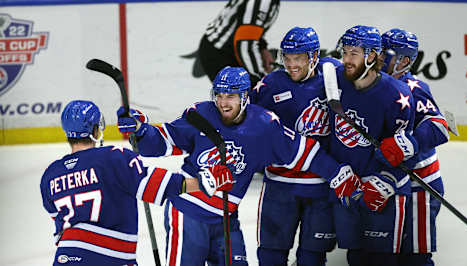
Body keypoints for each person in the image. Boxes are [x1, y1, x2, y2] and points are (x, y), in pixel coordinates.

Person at [117, 66, 360, 265]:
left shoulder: (265, 126)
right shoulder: (200, 115)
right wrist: (140, 131)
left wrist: (336, 173)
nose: (223, 103)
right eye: (219, 95)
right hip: (187, 213)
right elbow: (160, 144)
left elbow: (303, 152)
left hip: (226, 217)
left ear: (245, 97)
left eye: (230, 96)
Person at [40, 100, 233, 265]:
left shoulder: (50, 175)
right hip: (110, 257)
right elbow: (159, 185)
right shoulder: (113, 157)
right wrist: (206, 182)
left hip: (65, 257)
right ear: (96, 129)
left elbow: (59, 222)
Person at [249, 26, 342, 266]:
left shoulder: (332, 78)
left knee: (312, 258)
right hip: (280, 186)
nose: (291, 65)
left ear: (313, 57)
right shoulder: (272, 84)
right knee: (270, 256)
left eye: (298, 58)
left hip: (321, 187)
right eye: (287, 58)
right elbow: (244, 120)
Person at [327, 25, 417, 266]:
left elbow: (404, 150)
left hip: (383, 192)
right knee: (355, 257)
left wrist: (387, 179)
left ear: (372, 56)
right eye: (344, 52)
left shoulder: (397, 95)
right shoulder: (334, 80)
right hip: (348, 189)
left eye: (353, 53)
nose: (346, 59)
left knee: (382, 260)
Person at [378, 28, 450, 266]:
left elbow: (439, 126)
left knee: (414, 256)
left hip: (420, 184)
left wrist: (410, 143)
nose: (378, 58)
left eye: (384, 54)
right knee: (382, 252)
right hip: (388, 181)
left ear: (404, 60)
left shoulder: (414, 89)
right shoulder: (371, 86)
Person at [198, 0, 280, 85]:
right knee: (252, 93)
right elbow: (244, 44)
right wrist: (259, 78)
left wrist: (262, 48)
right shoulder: (262, 2)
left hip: (227, 51)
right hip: (221, 55)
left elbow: (246, 28)